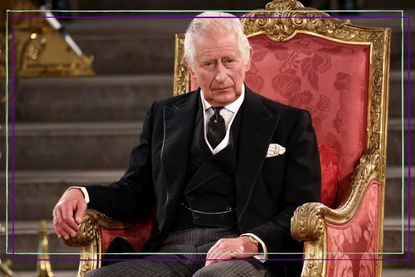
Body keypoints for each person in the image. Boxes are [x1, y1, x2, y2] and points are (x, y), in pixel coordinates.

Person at [53, 11, 321, 276]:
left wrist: (251, 242)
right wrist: (82, 194)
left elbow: (302, 208)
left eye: (229, 61)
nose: (221, 75)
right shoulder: (163, 115)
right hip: (172, 250)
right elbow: (135, 190)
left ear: (247, 58)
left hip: (245, 253)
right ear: (190, 65)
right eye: (209, 64)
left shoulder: (289, 123)